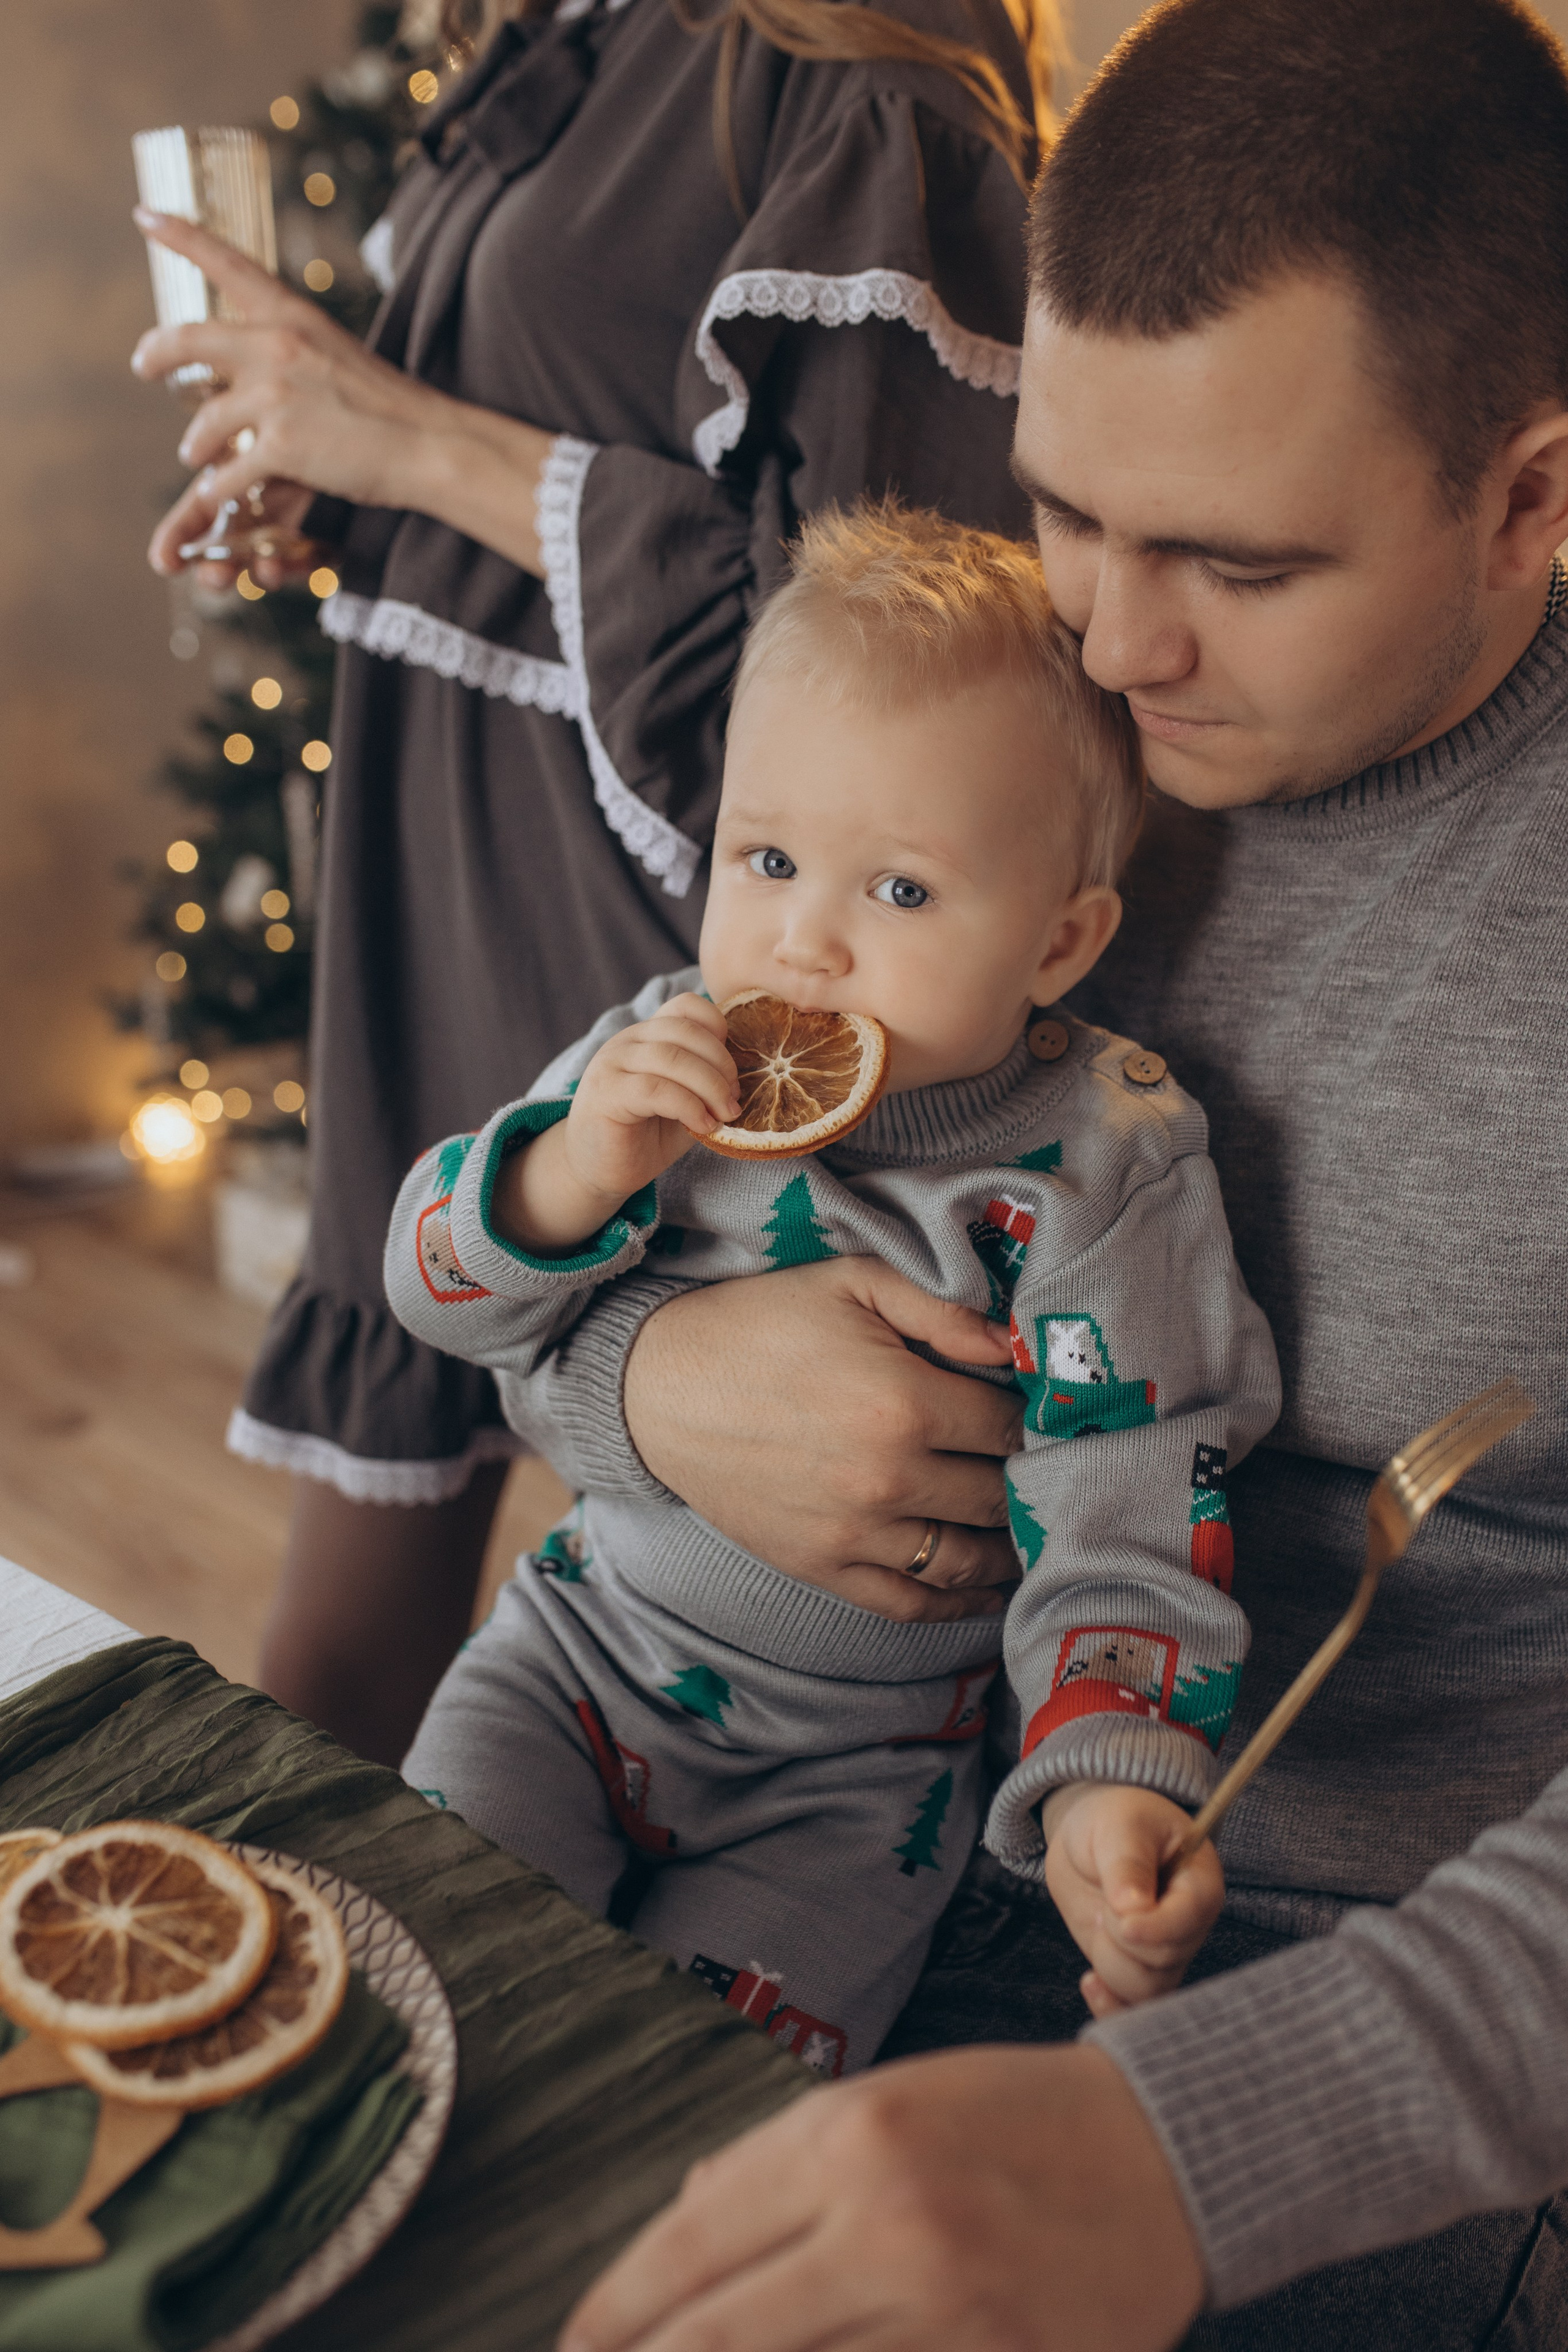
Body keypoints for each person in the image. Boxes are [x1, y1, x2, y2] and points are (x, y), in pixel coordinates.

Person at [445, 0, 1566, 2342]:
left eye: (1238, 569)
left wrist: (1201, 2140)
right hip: (779, 1803)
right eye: (1064, 504)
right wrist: (644, 1384)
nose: (1112, 645)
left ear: (1532, 493)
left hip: (1326, 2046)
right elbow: (608, 1211)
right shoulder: (994, 708)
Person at [130, 0, 1055, 1764]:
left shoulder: (864, 74)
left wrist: (395, 438)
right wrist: (340, 487)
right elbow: (545, 430)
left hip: (627, 913)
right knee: (354, 1650)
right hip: (445, 858)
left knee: (663, 1665)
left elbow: (867, 654)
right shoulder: (583, 29)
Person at [384, 504, 1281, 2068]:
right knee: (419, 1991)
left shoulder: (1102, 1173)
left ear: (1060, 941)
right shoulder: (656, 1057)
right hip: (567, 1672)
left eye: (902, 893)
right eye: (770, 857)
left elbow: (1134, 1502)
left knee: (692, 2109)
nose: (802, 943)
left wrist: (1109, 1775)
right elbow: (434, 1293)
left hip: (863, 1790)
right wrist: (567, 1176)